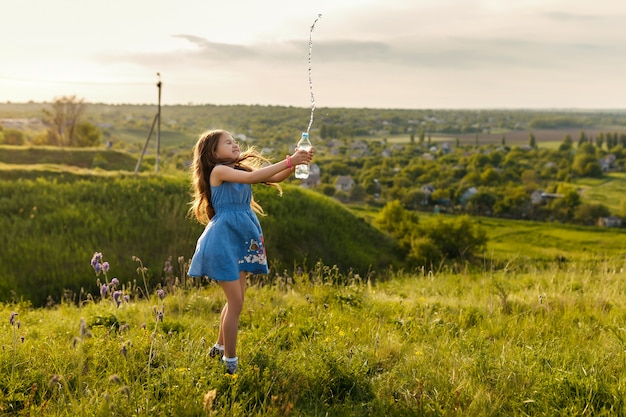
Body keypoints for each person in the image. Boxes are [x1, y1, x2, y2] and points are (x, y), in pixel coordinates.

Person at [187, 129, 313, 374]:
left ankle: (219, 348)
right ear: (213, 152)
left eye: (235, 141)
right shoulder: (219, 171)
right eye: (228, 143)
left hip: (239, 241)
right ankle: (230, 364)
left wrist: (297, 162)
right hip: (223, 243)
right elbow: (254, 179)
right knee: (236, 304)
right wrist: (290, 160)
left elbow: (273, 178)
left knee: (236, 302)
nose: (235, 145)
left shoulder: (237, 170)